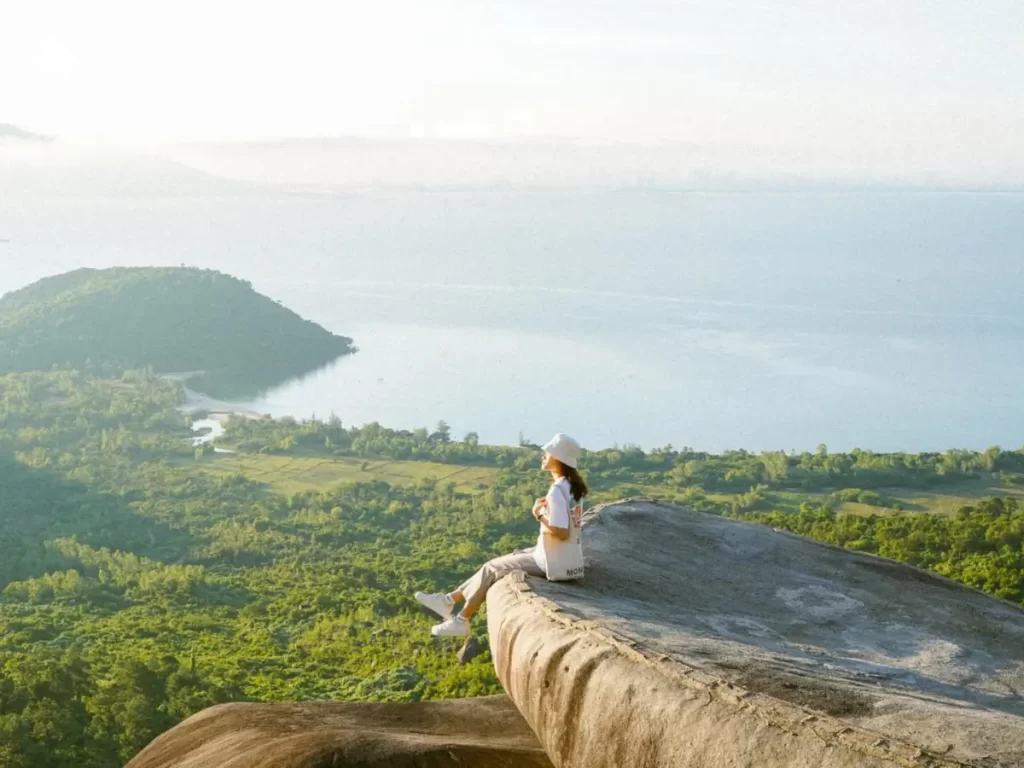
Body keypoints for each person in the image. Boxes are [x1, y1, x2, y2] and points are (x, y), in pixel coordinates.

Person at [415, 433, 589, 637]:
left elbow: (561, 532)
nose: (543, 455)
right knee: (500, 561)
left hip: (549, 562)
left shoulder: (557, 491)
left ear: (558, 459)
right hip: (565, 559)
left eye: (548, 453)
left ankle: (461, 620)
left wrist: (539, 514)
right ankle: (447, 601)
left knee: (490, 568)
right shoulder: (572, 489)